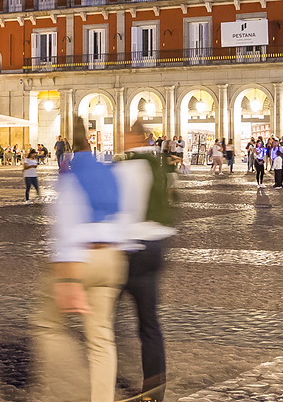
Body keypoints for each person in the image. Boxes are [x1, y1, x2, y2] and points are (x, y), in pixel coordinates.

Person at [33, 116, 127, 402]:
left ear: (69, 149)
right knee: (100, 338)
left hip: (81, 258)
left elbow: (66, 223)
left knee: (48, 327)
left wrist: (68, 278)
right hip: (112, 258)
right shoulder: (110, 172)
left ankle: (69, 393)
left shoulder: (70, 175)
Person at [114, 121, 177, 401]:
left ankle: (102, 377)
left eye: (125, 136)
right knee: (150, 325)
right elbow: (172, 203)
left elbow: (123, 211)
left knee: (105, 321)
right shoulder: (162, 166)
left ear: (133, 137)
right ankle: (154, 392)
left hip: (130, 250)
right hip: (156, 248)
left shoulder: (124, 167)